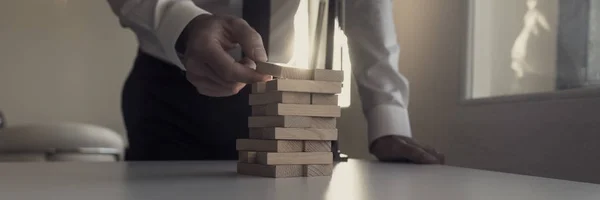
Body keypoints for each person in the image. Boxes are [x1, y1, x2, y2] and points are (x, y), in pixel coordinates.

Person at [106, 0, 444, 164]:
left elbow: (366, 8)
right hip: (172, 89)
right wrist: (185, 24)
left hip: (289, 100)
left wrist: (388, 120)